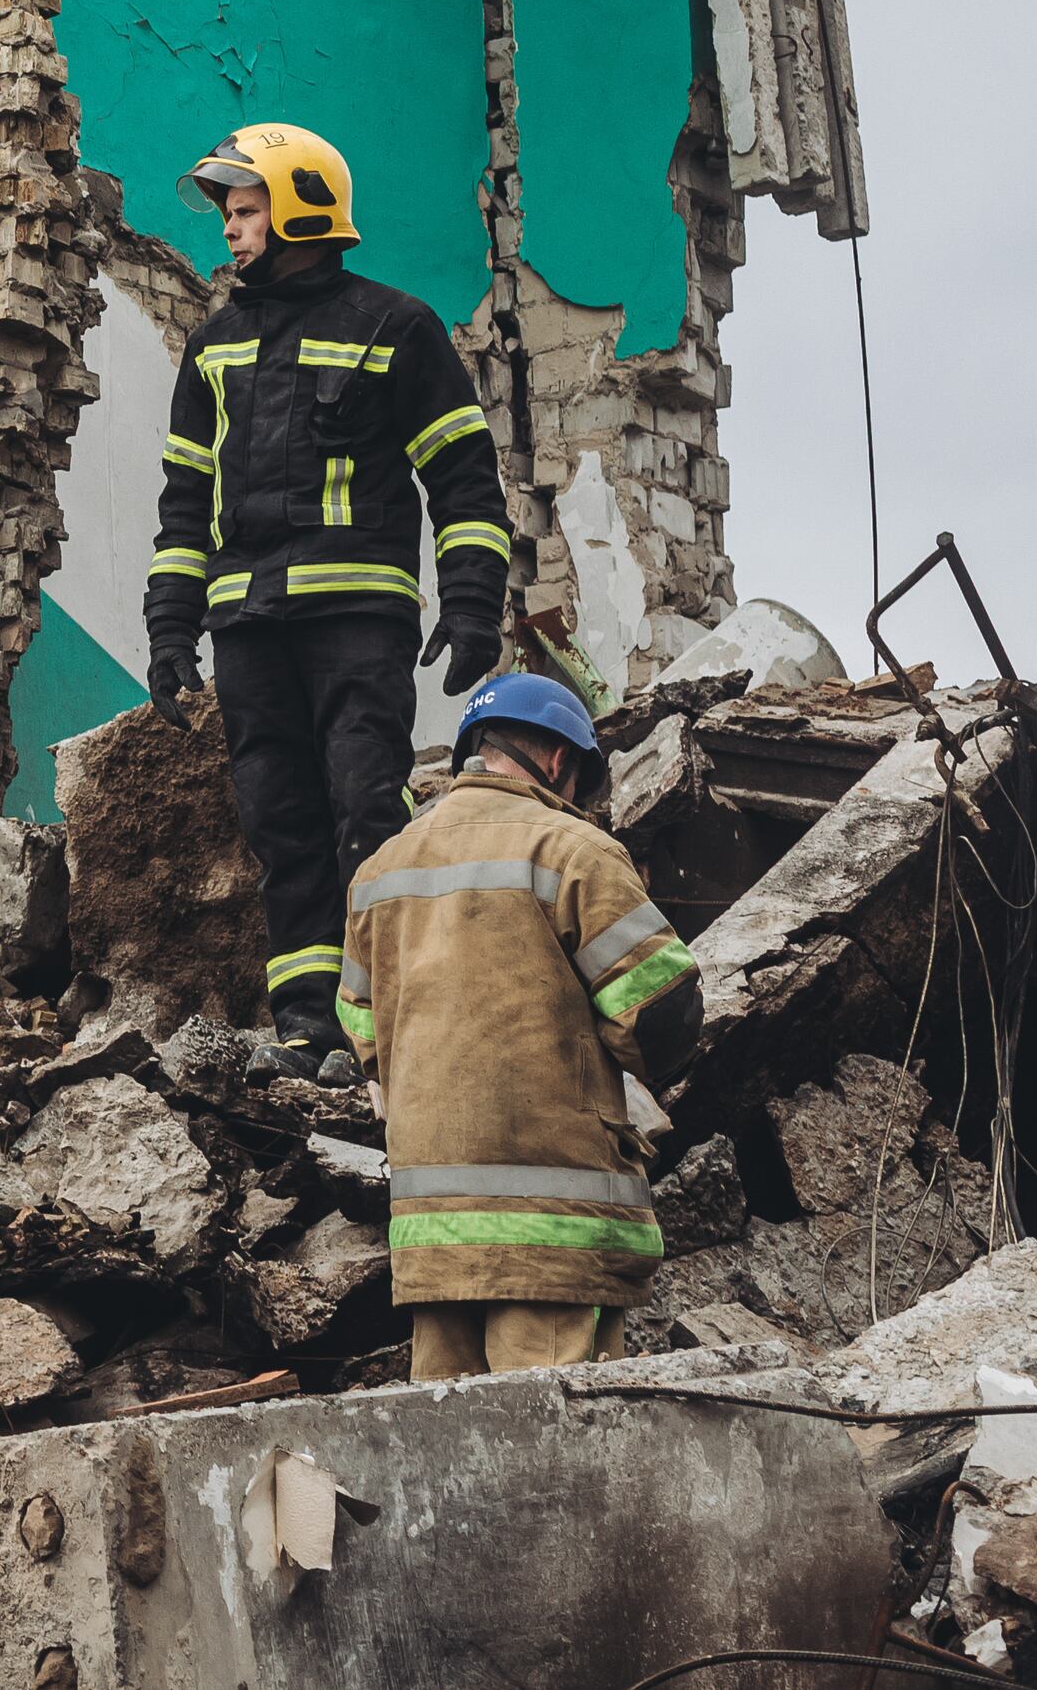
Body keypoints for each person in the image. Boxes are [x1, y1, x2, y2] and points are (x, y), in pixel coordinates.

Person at [140, 121, 521, 1079]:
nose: (229, 229)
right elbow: (185, 503)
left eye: (245, 207)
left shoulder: (396, 326)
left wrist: (474, 605)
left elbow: (465, 479)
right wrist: (170, 631)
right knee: (281, 825)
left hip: (357, 621)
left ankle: (389, 1015)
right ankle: (308, 1026)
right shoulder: (214, 346)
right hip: (249, 629)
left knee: (365, 808)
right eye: (226, 212)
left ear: (300, 202)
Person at [336, 669, 702, 1378]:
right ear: (561, 760)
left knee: (450, 1454)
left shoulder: (380, 872)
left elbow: (359, 1023)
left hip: (433, 1239)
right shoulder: (573, 850)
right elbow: (659, 1011)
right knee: (556, 1453)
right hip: (554, 1234)